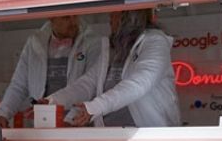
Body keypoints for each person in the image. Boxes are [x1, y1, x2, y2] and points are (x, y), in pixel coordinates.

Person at [47, 9, 181, 128]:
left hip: (149, 135)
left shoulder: (155, 41)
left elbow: (139, 83)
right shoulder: (112, 49)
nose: (109, 19)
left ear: (128, 16)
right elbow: (87, 83)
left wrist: (95, 107)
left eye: (114, 14)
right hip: (110, 135)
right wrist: (52, 101)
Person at [0, 15, 100, 128]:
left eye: (75, 17)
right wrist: (3, 114)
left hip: (77, 125)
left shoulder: (92, 42)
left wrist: (71, 120)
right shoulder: (35, 42)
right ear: (51, 18)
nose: (73, 22)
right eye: (66, 18)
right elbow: (18, 85)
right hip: (41, 125)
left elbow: (89, 87)